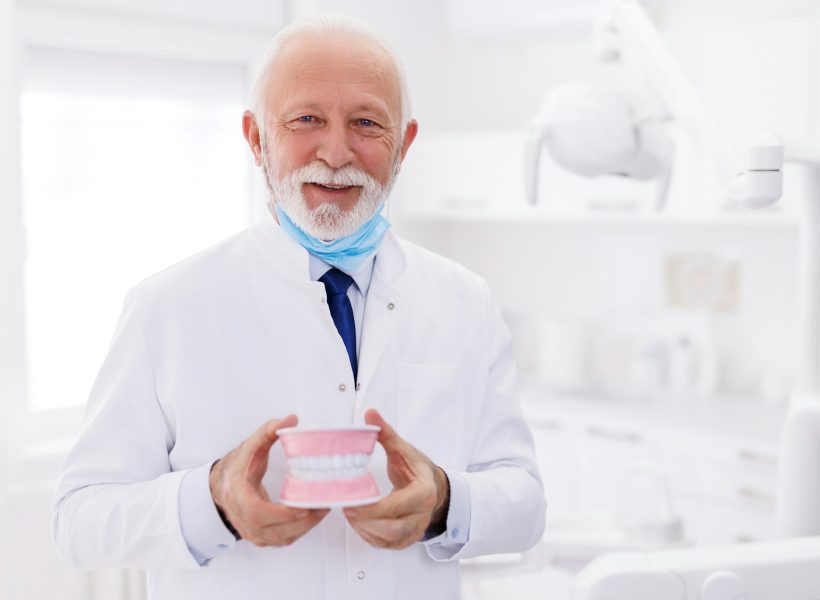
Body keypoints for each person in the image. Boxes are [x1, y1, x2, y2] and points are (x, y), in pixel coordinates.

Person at [52, 13, 545, 600]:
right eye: (307, 119)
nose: (337, 152)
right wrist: (212, 501)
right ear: (256, 137)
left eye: (366, 123)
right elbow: (78, 522)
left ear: (404, 144)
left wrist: (443, 500)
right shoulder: (166, 308)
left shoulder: (465, 300)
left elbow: (525, 502)